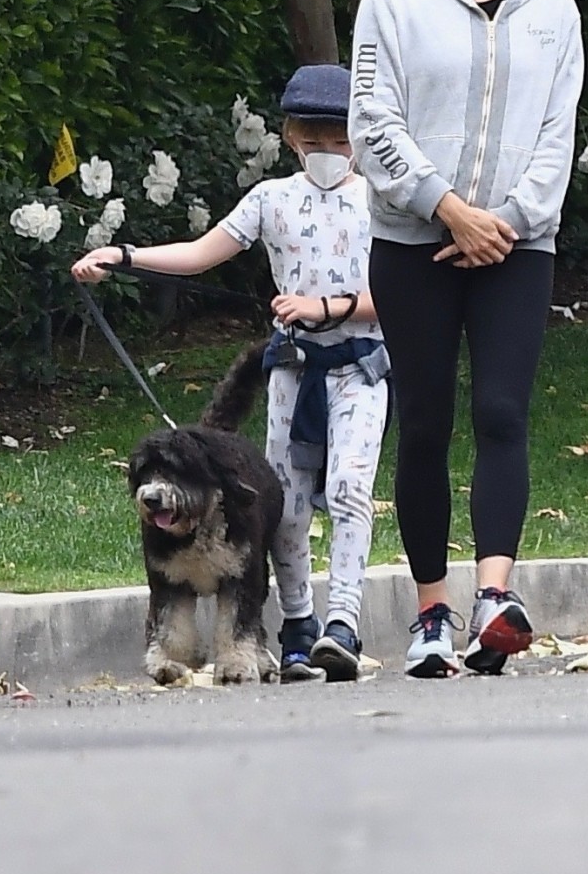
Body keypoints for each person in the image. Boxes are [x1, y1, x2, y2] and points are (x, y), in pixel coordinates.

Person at [71, 64, 390, 683]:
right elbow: (199, 253)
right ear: (291, 136)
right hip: (293, 371)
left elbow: (403, 296)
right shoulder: (271, 199)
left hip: (360, 367)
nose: (327, 150)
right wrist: (125, 256)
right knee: (285, 505)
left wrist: (327, 308)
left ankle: (343, 622)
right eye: (312, 137)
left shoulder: (379, 198)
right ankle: (297, 625)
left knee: (351, 488)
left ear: (359, 136)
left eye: (339, 137)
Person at [349, 0, 584, 678]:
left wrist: (508, 222)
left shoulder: (554, 8)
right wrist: (446, 206)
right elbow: (372, 123)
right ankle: (430, 614)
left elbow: (559, 134)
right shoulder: (394, 2)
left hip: (518, 247)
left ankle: (495, 598)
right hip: (416, 242)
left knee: (502, 413)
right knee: (424, 424)